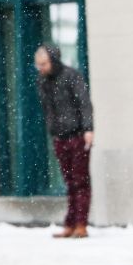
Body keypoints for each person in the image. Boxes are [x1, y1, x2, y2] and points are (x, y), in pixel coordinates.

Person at [34, 45, 94, 239]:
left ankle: (81, 223)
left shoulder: (72, 76)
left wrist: (88, 129)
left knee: (80, 180)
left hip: (77, 134)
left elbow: (84, 103)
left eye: (44, 64)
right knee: (69, 182)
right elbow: (47, 109)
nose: (41, 68)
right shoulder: (42, 81)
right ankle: (70, 222)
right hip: (59, 137)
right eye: (38, 65)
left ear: (53, 60)